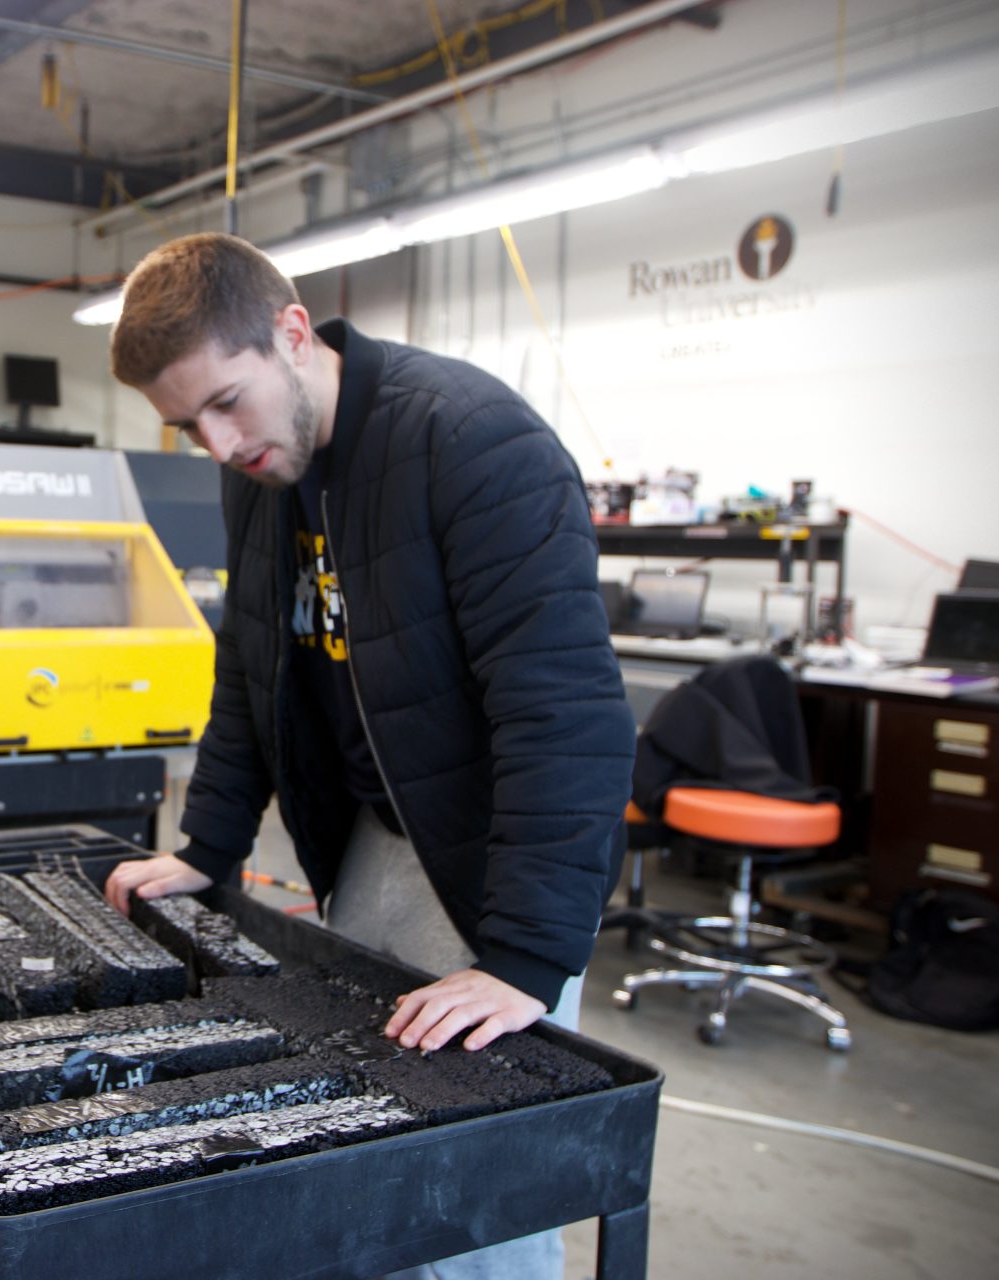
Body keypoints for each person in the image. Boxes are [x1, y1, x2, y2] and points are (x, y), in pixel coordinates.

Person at [101, 233, 634, 1280]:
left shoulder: (473, 443)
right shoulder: (260, 469)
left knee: (478, 1198)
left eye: (226, 401)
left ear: (293, 334)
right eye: (184, 423)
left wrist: (524, 956)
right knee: (370, 1161)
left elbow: (563, 711)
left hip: (490, 849)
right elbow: (251, 668)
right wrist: (206, 842)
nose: (215, 443)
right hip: (375, 837)